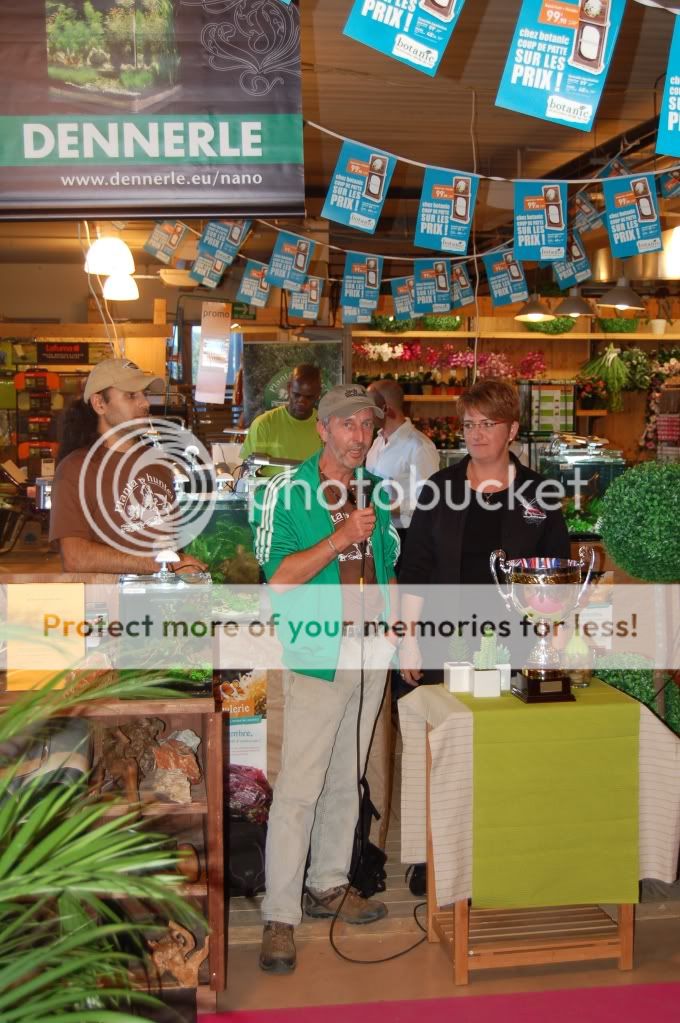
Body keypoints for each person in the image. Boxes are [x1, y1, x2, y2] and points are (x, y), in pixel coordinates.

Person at [397, 379, 571, 894]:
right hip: (442, 639)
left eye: (487, 424)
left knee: (501, 748)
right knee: (440, 749)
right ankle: (432, 854)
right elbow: (416, 567)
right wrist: (408, 638)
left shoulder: (539, 492)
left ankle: (495, 847)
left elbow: (556, 570)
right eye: (468, 424)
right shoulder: (440, 487)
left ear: (512, 429)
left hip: (511, 643)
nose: (476, 433)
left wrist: (554, 638)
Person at [250, 383, 400, 974]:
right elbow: (279, 577)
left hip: (368, 654)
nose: (359, 436)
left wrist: (392, 627)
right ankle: (280, 914)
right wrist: (341, 537)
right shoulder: (282, 492)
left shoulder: (378, 492)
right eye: (347, 425)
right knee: (299, 787)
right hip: (316, 652)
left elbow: (386, 560)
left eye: (367, 425)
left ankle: (329, 884)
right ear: (323, 429)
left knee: (347, 778)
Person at [50, 358, 206, 575]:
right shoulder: (75, 470)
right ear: (99, 404)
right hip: (110, 603)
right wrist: (162, 565)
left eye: (144, 394)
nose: (145, 403)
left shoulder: (158, 462)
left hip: (164, 601)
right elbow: (75, 558)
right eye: (131, 395)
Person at [366, 378, 439, 548]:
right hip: (376, 532)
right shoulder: (377, 441)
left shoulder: (420, 447)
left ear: (386, 409)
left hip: (405, 537)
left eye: (370, 406)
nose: (366, 411)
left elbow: (429, 502)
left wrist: (387, 505)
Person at [239, 363, 322, 475]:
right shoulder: (264, 424)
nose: (302, 402)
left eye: (309, 397)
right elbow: (246, 473)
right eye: (296, 395)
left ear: (318, 394)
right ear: (288, 388)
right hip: (271, 491)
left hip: (310, 491)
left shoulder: (325, 426)